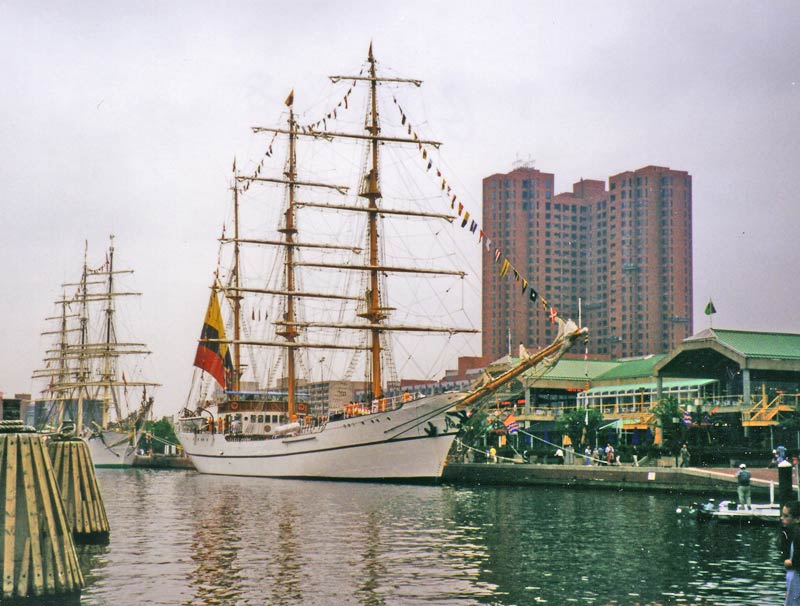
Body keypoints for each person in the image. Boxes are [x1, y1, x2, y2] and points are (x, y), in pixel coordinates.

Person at [781, 500, 800, 605]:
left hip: (796, 578)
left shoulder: (798, 535)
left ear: (797, 519)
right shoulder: (793, 533)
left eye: (786, 516)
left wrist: (787, 562)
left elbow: (797, 562)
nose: (782, 518)